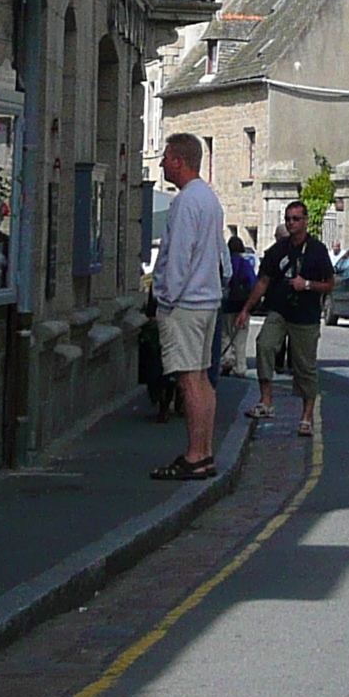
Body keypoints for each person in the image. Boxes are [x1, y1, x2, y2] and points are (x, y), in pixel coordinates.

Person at [148, 136, 225, 481]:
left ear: (179, 160)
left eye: (166, 158)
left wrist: (164, 296)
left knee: (189, 379)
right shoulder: (209, 199)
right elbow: (220, 255)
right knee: (203, 377)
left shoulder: (185, 203)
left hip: (186, 303)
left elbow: (178, 255)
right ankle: (205, 452)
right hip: (207, 299)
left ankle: (195, 454)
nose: (162, 164)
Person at [247, 201, 336, 437]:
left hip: (305, 316)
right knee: (264, 344)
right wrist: (247, 309)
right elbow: (263, 282)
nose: (291, 223)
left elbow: (329, 285)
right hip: (279, 310)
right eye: (288, 219)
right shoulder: (278, 250)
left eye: (296, 219)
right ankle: (266, 400)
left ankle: (306, 416)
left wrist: (306, 284)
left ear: (305, 220)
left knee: (304, 366)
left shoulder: (317, 250)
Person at [219, 229, 258, 377]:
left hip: (227, 305)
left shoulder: (225, 264)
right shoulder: (245, 264)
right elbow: (252, 283)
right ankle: (240, 367)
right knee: (240, 338)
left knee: (225, 334)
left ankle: (226, 360)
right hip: (242, 305)